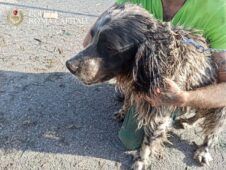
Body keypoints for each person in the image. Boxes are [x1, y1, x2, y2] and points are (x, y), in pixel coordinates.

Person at [84, 0, 226, 150]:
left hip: (181, 84)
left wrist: (184, 98)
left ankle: (202, 144)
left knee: (131, 140)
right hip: (143, 71)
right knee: (125, 86)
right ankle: (129, 91)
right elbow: (89, 41)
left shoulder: (217, 9)